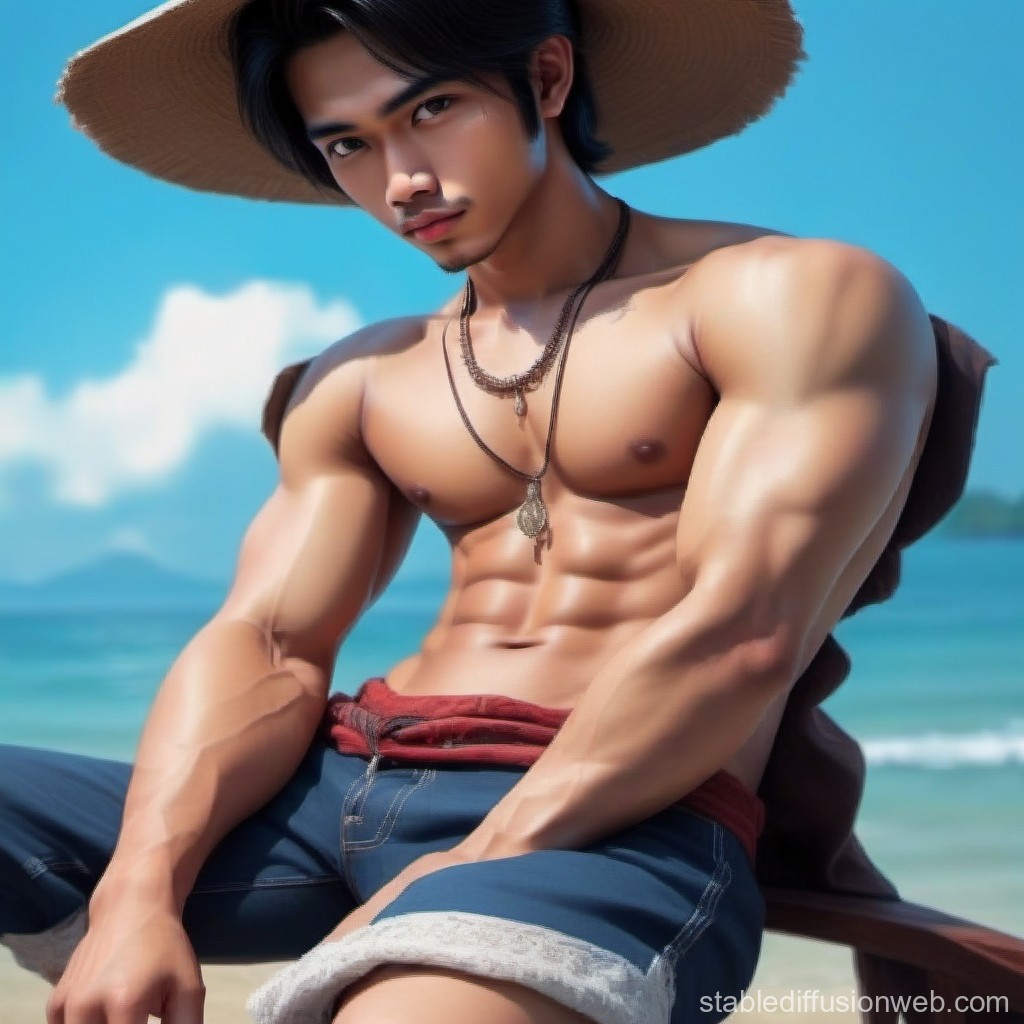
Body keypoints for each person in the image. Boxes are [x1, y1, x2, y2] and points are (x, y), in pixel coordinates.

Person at [0, 1, 996, 1023]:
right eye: (347, 143)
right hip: (346, 783)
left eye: (430, 108)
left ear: (548, 79)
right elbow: (267, 640)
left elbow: (740, 631)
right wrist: (137, 892)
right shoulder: (360, 378)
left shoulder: (781, 294)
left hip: (614, 819)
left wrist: (448, 880)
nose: (401, 181)